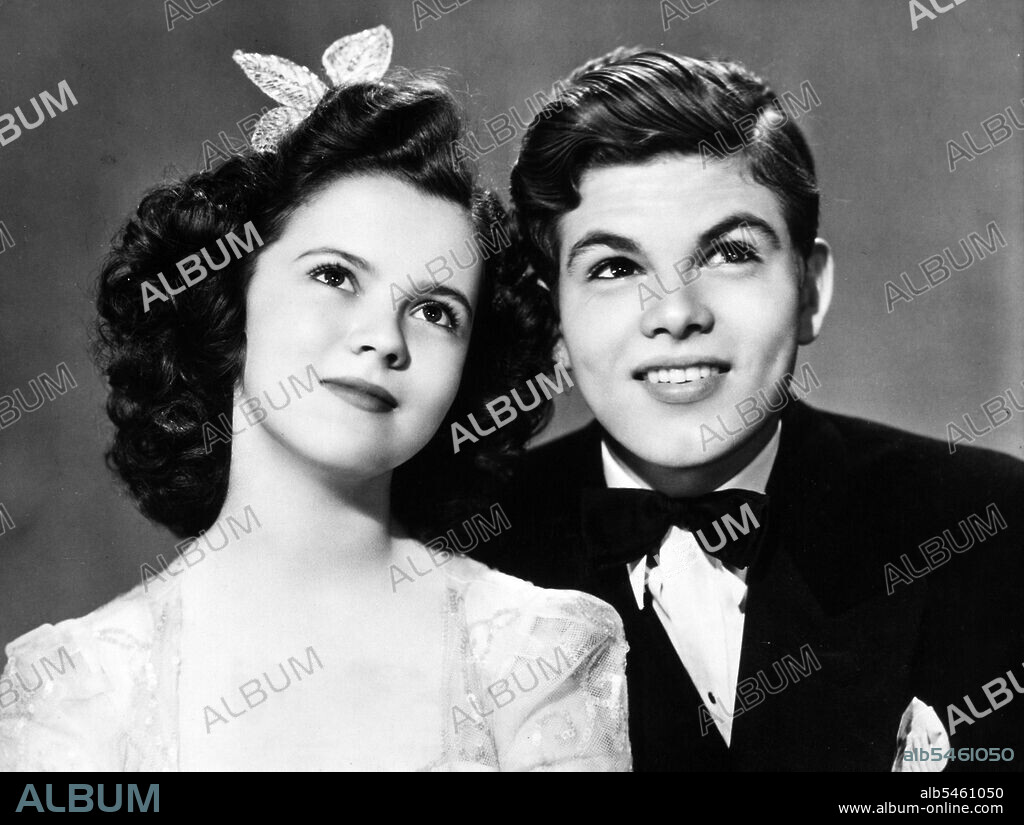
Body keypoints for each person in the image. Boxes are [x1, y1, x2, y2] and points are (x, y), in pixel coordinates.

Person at [0, 29, 629, 772]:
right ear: (230, 296)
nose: (381, 338)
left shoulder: (539, 653)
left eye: (435, 311)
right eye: (334, 275)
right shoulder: (73, 684)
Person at [476, 47, 1024, 771]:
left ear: (810, 290)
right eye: (616, 267)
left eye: (729, 253)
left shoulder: (990, 525)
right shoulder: (463, 555)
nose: (674, 314)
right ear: (555, 320)